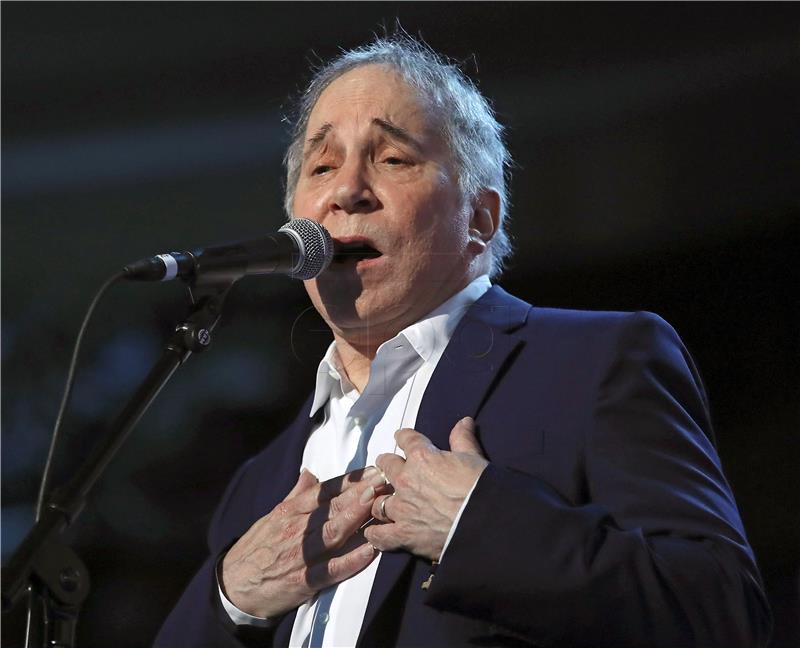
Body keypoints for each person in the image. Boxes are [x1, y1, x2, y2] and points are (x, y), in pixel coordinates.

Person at [156, 34, 770, 647]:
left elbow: (721, 613)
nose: (346, 190)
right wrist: (231, 598)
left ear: (479, 219)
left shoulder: (594, 364)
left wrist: (478, 526)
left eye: (392, 159)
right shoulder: (262, 483)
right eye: (322, 166)